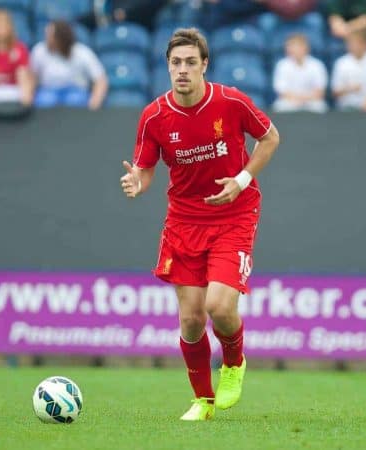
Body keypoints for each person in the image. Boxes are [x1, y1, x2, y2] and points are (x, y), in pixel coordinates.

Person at [119, 28, 280, 421]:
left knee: (219, 306)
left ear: (204, 64)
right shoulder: (154, 116)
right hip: (184, 221)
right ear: (167, 67)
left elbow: (271, 138)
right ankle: (202, 402)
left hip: (233, 215)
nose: (183, 70)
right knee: (191, 319)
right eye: (176, 63)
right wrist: (138, 181)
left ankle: (234, 363)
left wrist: (241, 180)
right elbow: (146, 167)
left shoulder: (230, 101)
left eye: (191, 62)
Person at [31, 20, 108, 109]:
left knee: (74, 100)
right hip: (48, 91)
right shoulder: (39, 51)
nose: (47, 39)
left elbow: (100, 80)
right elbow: (32, 78)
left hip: (76, 92)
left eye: (51, 36)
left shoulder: (82, 52)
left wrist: (94, 103)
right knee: (45, 100)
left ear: (61, 38)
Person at [331, 30, 366, 111]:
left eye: (357, 43)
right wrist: (349, 89)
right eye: (351, 43)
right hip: (347, 109)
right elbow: (335, 92)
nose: (353, 46)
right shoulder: (341, 62)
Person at [272, 33, 328, 113]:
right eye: (289, 46)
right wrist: (297, 100)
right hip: (289, 102)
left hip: (311, 102)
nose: (290, 49)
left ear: (305, 47)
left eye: (294, 45)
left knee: (320, 107)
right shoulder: (282, 65)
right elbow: (281, 91)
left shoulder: (317, 65)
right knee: (279, 106)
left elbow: (320, 91)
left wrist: (304, 99)